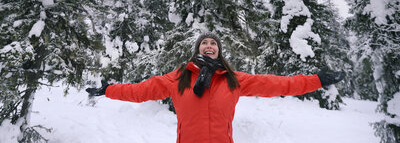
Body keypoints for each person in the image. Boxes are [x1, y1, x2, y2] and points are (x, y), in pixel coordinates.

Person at [86, 33, 345, 143]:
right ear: (198, 49)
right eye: (204, 43)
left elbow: (279, 84)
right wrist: (108, 89)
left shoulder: (233, 79)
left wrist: (317, 80)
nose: (209, 46)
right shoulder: (179, 78)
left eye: (214, 44)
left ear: (218, 50)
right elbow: (140, 91)